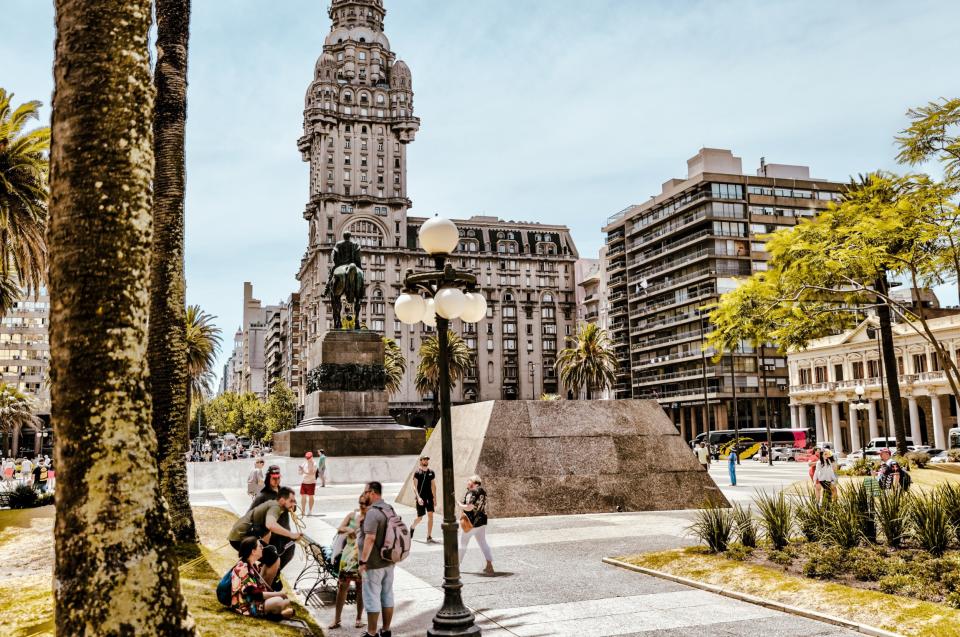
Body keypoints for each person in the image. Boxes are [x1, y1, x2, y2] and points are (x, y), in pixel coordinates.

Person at [229, 486, 302, 588]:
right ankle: (265, 593)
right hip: (240, 537)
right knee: (274, 559)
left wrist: (265, 546)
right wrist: (292, 534)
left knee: (270, 555)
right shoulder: (275, 507)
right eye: (291, 501)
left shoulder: (275, 506)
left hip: (240, 536)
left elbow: (267, 532)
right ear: (281, 500)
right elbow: (270, 525)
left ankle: (261, 588)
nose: (293, 504)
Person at [358, 481, 395, 637]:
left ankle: (371, 633)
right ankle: (386, 630)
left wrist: (363, 562)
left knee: (371, 596)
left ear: (372, 492)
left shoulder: (373, 512)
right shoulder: (389, 508)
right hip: (389, 562)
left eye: (366, 492)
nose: (364, 494)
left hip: (373, 564)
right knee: (387, 595)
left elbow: (370, 539)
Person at [249, 467, 298, 580]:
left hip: (285, 533)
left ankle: (274, 576)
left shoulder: (284, 492)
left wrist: (292, 505)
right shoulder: (263, 495)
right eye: (274, 478)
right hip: (271, 536)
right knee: (273, 560)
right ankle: (267, 582)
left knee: (289, 550)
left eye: (278, 478)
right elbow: (251, 514)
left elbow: (293, 507)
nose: (276, 481)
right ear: (268, 478)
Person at [229, 536, 294, 620]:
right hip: (244, 606)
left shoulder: (252, 565)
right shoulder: (243, 569)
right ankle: (278, 616)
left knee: (285, 601)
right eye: (260, 546)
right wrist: (279, 594)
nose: (262, 548)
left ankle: (276, 614)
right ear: (253, 551)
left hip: (252, 601)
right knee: (279, 601)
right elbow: (255, 594)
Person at [329, 494, 367, 630]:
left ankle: (358, 619)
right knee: (342, 587)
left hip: (362, 556)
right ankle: (337, 619)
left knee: (360, 589)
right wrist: (349, 529)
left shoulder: (371, 518)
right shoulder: (353, 515)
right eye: (361, 503)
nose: (362, 506)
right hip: (347, 556)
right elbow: (339, 529)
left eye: (365, 503)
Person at [456, 475, 494, 575]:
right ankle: (489, 565)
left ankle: (456, 566)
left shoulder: (472, 492)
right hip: (482, 521)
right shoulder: (482, 491)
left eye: (469, 480)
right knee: (483, 543)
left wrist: (459, 505)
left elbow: (469, 507)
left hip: (471, 522)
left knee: (463, 544)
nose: (468, 482)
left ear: (474, 483)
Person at [410, 456, 439, 542]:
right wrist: (418, 498)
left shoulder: (431, 472)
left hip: (429, 497)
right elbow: (414, 487)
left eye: (427, 460)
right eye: (424, 459)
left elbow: (434, 486)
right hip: (421, 498)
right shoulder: (417, 473)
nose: (426, 461)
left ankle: (429, 536)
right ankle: (412, 527)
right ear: (421, 461)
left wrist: (435, 498)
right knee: (420, 518)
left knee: (431, 515)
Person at [298, 451, 318, 516]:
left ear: (312, 457)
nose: (307, 459)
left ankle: (310, 511)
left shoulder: (314, 464)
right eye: (306, 457)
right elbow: (300, 473)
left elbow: (312, 473)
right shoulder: (304, 463)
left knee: (310, 496)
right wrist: (300, 470)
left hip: (311, 482)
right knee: (303, 497)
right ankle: (303, 511)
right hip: (304, 482)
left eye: (308, 458)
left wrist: (303, 471)